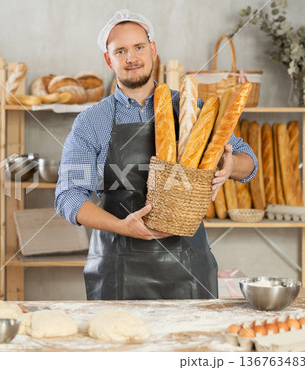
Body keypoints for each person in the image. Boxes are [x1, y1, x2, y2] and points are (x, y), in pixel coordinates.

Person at [55, 9, 257, 300]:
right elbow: (68, 196)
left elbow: (248, 161)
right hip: (117, 268)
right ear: (108, 59)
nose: (131, 58)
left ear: (153, 50)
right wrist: (122, 226)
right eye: (120, 51)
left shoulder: (190, 108)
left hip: (187, 267)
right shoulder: (92, 121)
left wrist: (229, 164)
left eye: (138, 47)